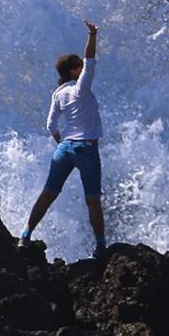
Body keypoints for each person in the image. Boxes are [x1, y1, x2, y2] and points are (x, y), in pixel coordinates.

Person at [22, 19, 106, 256]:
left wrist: (65, 144)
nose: (83, 69)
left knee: (48, 194)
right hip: (86, 149)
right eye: (79, 67)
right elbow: (90, 59)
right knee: (93, 200)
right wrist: (92, 34)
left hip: (65, 149)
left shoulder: (58, 94)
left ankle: (26, 234)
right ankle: (100, 247)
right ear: (74, 71)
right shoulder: (81, 87)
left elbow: (50, 125)